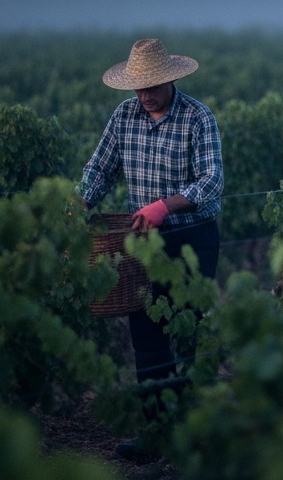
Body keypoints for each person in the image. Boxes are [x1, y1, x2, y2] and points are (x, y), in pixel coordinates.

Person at [78, 38, 223, 457]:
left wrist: (165, 205)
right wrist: (79, 202)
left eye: (152, 86)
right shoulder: (124, 116)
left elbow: (212, 183)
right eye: (138, 87)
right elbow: (99, 169)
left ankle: (193, 430)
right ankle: (157, 433)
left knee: (188, 330)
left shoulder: (198, 118)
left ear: (171, 79)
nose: (145, 95)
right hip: (141, 244)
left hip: (191, 240)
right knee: (146, 335)